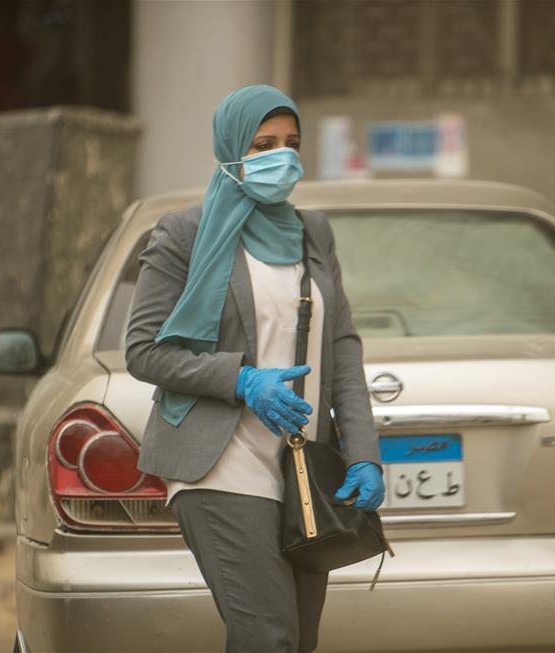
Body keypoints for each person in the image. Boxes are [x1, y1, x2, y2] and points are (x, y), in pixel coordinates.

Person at [124, 84, 386, 653]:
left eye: (292, 143)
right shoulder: (184, 234)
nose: (281, 156)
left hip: (303, 466)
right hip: (221, 461)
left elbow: (342, 349)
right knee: (268, 636)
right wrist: (242, 380)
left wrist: (364, 451)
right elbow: (144, 350)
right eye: (263, 145)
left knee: (299, 639)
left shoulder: (314, 232)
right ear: (231, 149)